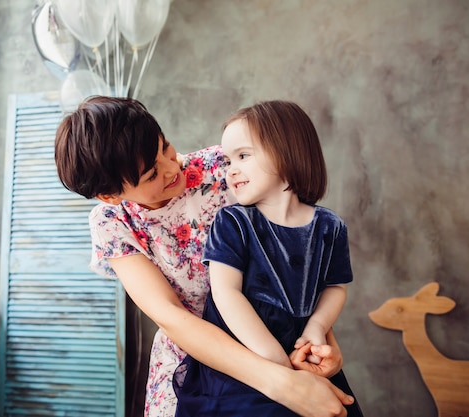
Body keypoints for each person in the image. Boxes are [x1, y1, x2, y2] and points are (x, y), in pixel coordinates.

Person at [54, 95, 355, 417]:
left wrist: (320, 340)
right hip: (194, 356)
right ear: (111, 196)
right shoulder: (112, 223)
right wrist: (280, 382)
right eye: (152, 174)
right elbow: (169, 314)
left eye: (165, 147)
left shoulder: (224, 169)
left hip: (275, 337)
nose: (172, 168)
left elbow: (295, 261)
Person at [173, 100, 363, 416]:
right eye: (227, 160)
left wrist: (316, 328)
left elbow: (335, 287)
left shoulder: (329, 226)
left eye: (243, 156)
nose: (230, 169)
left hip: (299, 349)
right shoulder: (233, 221)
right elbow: (225, 293)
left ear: (287, 153)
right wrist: (276, 363)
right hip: (245, 356)